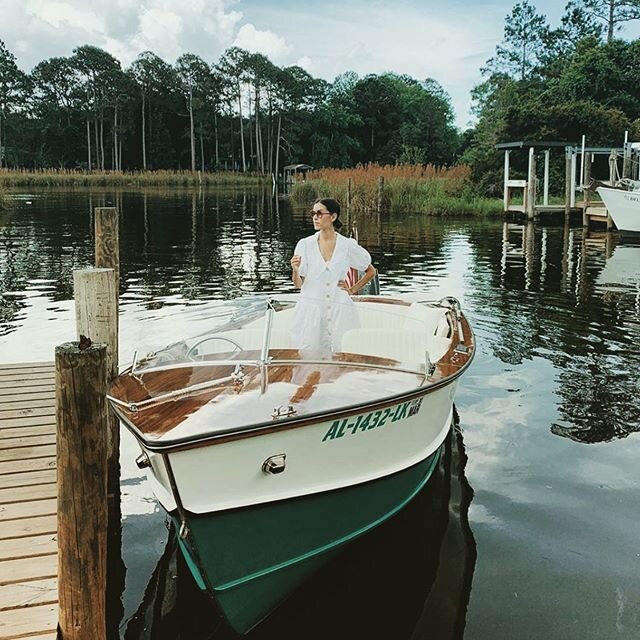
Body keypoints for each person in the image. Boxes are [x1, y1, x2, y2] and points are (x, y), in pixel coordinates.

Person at [290, 198, 376, 354]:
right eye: (313, 213)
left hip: (340, 311)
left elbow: (371, 271)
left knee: (341, 356)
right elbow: (298, 284)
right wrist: (295, 269)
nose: (315, 217)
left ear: (333, 217)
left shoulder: (347, 245)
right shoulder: (305, 245)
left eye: (319, 213)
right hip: (310, 313)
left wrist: (351, 289)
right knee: (308, 361)